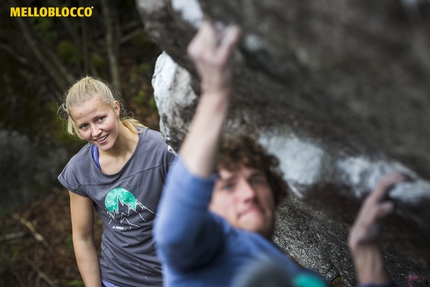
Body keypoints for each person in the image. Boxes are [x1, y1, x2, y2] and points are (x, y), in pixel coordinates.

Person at [153, 21, 408, 287]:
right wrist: (215, 95)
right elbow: (174, 233)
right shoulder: (203, 255)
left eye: (256, 180)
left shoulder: (294, 270)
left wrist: (366, 253)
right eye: (228, 186)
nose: (249, 193)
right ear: (204, 206)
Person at [57, 76, 175, 287]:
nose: (95, 132)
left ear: (116, 108)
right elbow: (82, 238)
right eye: (84, 126)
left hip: (172, 275)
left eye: (100, 119)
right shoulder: (79, 170)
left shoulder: (161, 150)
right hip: (118, 279)